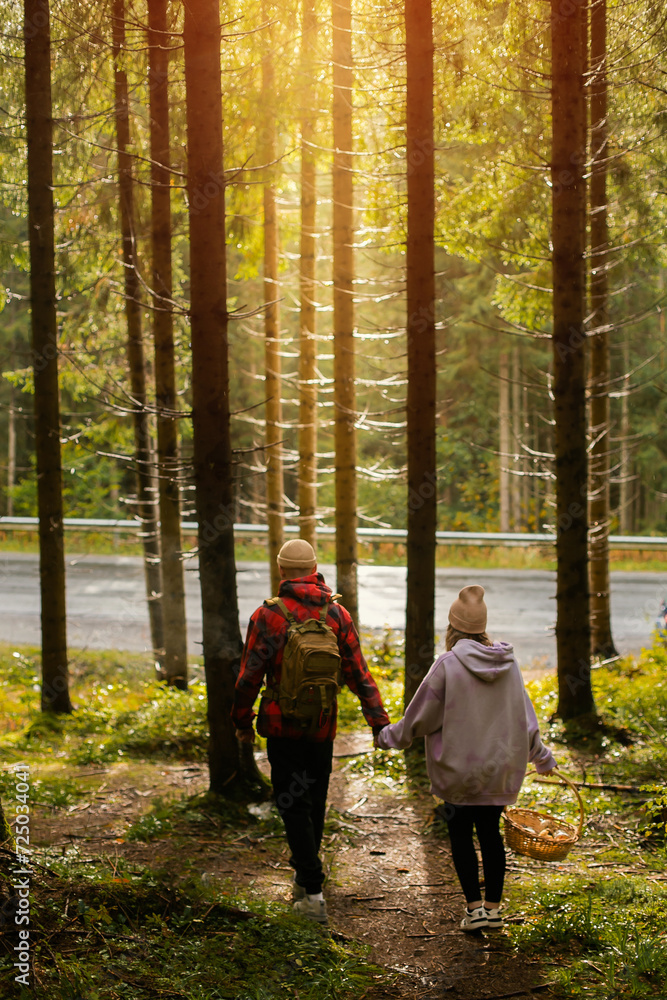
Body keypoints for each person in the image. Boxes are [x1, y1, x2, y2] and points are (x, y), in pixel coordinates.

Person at [377, 584, 556, 933]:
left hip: (457, 771)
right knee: (490, 833)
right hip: (497, 771)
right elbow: (525, 717)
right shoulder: (509, 663)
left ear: (452, 628)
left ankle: (474, 909)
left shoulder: (447, 664)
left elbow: (420, 717)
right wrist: (542, 756)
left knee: (460, 834)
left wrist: (389, 736)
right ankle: (494, 909)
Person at [232, 538, 390, 925]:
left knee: (291, 803)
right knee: (314, 801)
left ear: (282, 571)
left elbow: (248, 675)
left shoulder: (268, 616)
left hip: (280, 725)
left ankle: (312, 889)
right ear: (315, 570)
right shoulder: (337, 614)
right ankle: (307, 883)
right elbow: (358, 674)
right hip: (323, 724)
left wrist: (241, 721)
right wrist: (378, 722)